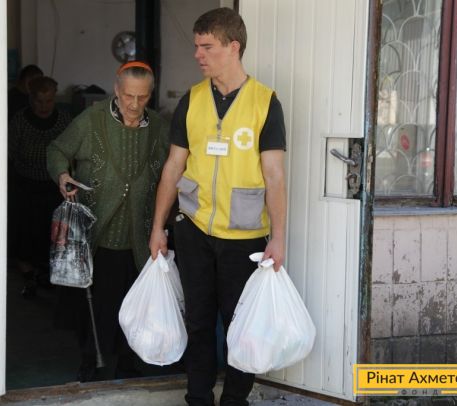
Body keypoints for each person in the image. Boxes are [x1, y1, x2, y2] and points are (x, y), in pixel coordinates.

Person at [149, 8, 287, 406]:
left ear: (233, 47)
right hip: (193, 230)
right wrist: (158, 227)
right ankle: (198, 397)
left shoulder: (265, 103)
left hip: (245, 237)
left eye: (207, 46)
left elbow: (274, 175)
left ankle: (235, 400)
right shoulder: (192, 100)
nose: (198, 54)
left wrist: (278, 238)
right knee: (197, 321)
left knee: (241, 327)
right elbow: (173, 166)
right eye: (197, 46)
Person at [46, 61, 169, 381]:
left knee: (138, 306)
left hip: (141, 236)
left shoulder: (159, 127)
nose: (135, 104)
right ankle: (91, 365)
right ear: (116, 89)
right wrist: (62, 175)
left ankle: (128, 365)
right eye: (128, 95)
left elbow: (174, 170)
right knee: (98, 306)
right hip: (98, 234)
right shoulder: (93, 120)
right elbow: (57, 150)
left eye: (143, 97)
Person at [8, 76, 72, 297]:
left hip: (54, 188)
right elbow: (10, 153)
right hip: (25, 187)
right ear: (31, 99)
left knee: (53, 234)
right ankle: (29, 275)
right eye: (39, 101)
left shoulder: (64, 121)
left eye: (49, 101)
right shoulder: (20, 121)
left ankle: (49, 273)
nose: (44, 106)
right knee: (26, 234)